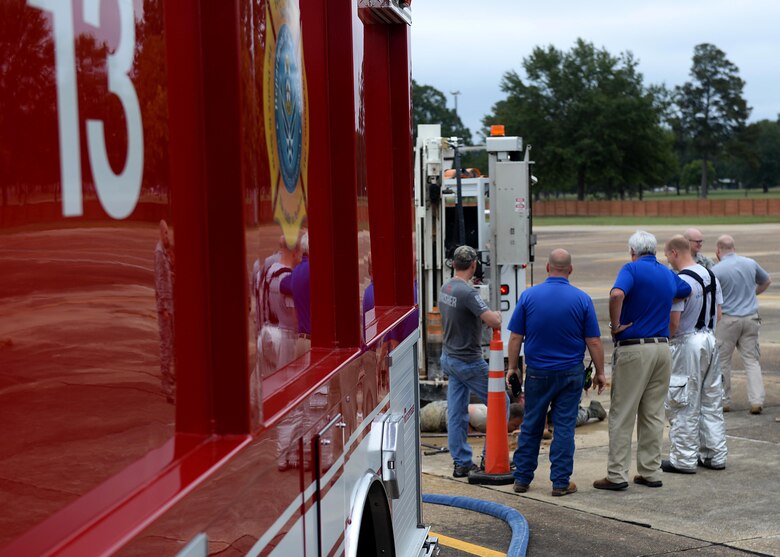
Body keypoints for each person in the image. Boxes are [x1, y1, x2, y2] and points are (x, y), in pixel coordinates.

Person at [594, 230, 691, 491]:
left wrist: (615, 325)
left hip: (634, 348)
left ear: (632, 251)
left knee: (623, 412)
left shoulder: (632, 269)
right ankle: (650, 471)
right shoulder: (666, 273)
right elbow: (686, 290)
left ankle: (616, 475)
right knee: (653, 413)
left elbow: (616, 295)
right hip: (662, 348)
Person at [506, 249, 606, 497]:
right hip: (570, 374)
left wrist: (512, 368)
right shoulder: (582, 299)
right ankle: (560, 482)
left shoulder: (529, 297)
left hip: (538, 373)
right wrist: (601, 372)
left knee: (531, 424)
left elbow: (516, 335)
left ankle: (522, 479)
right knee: (563, 428)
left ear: (548, 268)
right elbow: (593, 341)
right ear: (570, 270)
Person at [662, 235, 727, 474]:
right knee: (711, 400)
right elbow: (718, 314)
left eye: (667, 255)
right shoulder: (711, 275)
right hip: (710, 338)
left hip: (687, 342)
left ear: (675, 253)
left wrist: (666, 340)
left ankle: (684, 458)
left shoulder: (681, 281)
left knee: (683, 401)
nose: (667, 259)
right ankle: (715, 454)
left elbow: (674, 321)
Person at [439, 245, 503, 478]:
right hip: (468, 361)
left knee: (456, 411)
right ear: (474, 265)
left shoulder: (446, 287)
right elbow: (493, 321)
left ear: (454, 264)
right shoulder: (468, 293)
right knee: (500, 402)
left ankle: (462, 462)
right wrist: (497, 314)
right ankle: (492, 456)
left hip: (449, 358)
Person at [712, 234, 772, 415]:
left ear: (718, 251)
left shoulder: (717, 270)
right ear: (734, 248)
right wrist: (752, 295)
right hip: (751, 318)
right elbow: (766, 281)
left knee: (723, 361)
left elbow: (713, 297)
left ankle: (724, 400)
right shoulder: (750, 263)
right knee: (752, 361)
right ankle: (756, 400)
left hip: (728, 320)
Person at [154, 219, 175, 403]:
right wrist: (165, 308)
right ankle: (165, 381)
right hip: (165, 309)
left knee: (172, 343)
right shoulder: (160, 253)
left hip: (170, 306)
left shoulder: (166, 252)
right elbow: (160, 282)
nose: (167, 236)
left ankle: (169, 375)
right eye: (166, 233)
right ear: (161, 234)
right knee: (166, 345)